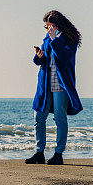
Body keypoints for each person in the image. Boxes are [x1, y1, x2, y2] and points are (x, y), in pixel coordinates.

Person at [25, 10, 82, 166]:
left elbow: (64, 57)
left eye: (50, 25)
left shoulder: (69, 38)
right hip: (45, 82)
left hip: (61, 83)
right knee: (39, 117)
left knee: (59, 118)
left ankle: (58, 154)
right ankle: (39, 153)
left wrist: (53, 39)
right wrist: (39, 57)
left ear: (57, 25)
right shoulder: (47, 38)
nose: (47, 28)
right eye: (46, 26)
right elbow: (41, 61)